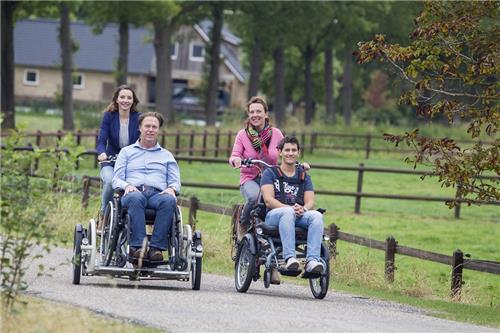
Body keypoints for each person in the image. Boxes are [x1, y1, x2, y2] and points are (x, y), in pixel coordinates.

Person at [112, 112, 180, 262]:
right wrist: (126, 185)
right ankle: (139, 247)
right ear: (139, 128)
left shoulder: (167, 156)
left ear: (158, 130)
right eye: (147, 126)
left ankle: (156, 249)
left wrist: (172, 189)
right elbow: (116, 179)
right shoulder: (126, 152)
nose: (150, 129)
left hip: (157, 194)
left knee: (169, 201)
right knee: (136, 198)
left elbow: (175, 181)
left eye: (154, 127)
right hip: (133, 192)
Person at [260, 136, 325, 274]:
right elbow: (268, 200)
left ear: (298, 153)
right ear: (280, 152)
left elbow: (310, 201)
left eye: (294, 150)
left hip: (298, 214)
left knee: (317, 216)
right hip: (274, 215)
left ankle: (312, 261)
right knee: (288, 212)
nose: (290, 153)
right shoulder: (270, 173)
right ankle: (290, 258)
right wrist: (289, 208)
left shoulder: (304, 176)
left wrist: (304, 209)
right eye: (287, 150)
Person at [229, 96, 284, 227]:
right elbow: (234, 155)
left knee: (281, 201)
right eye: (252, 112)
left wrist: (297, 164)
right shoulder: (242, 135)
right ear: (248, 115)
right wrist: (237, 160)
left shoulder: (276, 134)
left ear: (266, 114)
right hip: (250, 178)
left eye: (258, 111)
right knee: (254, 198)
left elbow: (287, 152)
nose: (255, 115)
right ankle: (243, 224)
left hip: (272, 178)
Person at [96, 85, 140, 220]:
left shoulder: (138, 118)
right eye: (122, 97)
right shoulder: (109, 116)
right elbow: (101, 140)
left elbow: (144, 139)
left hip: (132, 163)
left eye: (129, 98)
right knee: (109, 182)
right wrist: (102, 153)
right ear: (116, 99)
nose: (125, 100)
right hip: (111, 161)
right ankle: (104, 214)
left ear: (133, 101)